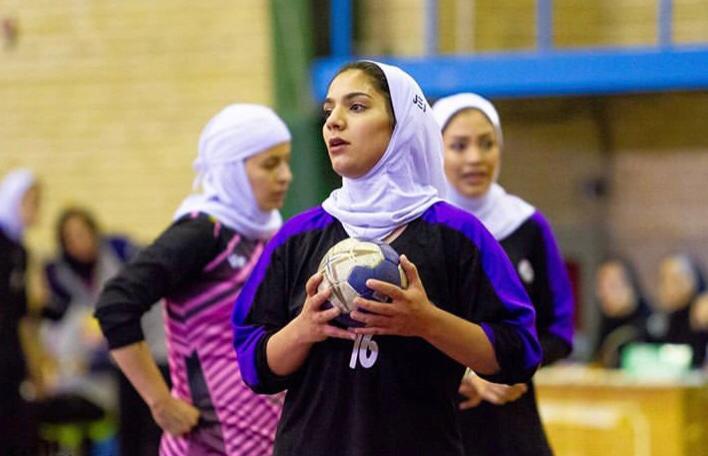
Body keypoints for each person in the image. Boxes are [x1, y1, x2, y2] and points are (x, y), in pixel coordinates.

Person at [232, 61, 541, 456]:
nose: (334, 122)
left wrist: (427, 322)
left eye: (356, 107)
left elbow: (519, 352)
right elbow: (254, 367)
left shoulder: (458, 235)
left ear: (402, 126)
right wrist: (304, 329)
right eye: (329, 110)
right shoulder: (297, 237)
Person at [94, 104, 293, 455]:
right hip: (207, 442)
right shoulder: (203, 233)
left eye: (286, 162)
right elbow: (115, 304)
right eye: (270, 164)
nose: (285, 176)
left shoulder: (266, 233)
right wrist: (159, 401)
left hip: (265, 438)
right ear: (231, 169)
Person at [432, 93, 574, 456]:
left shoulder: (528, 225)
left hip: (514, 423)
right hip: (438, 424)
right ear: (434, 150)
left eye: (487, 143)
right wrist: (468, 373)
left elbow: (559, 329)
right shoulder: (421, 227)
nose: (475, 158)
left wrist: (510, 368)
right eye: (459, 146)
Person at [42, 207, 166, 455]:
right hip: (112, 362)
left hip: (149, 349)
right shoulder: (62, 276)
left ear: (94, 232)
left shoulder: (121, 252)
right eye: (70, 238)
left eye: (82, 233)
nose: (79, 243)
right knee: (128, 429)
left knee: (152, 426)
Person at [0, 168, 42, 455]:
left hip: (11, 356)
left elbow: (23, 316)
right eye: (31, 201)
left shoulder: (20, 251)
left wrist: (35, 365)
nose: (36, 209)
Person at [592, 257, 651, 368]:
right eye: (600, 287)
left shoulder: (649, 325)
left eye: (612, 286)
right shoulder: (608, 319)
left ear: (630, 287)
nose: (603, 294)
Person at [653, 253, 707, 368]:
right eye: (665, 279)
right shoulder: (665, 318)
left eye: (677, 278)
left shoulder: (702, 309)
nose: (671, 285)